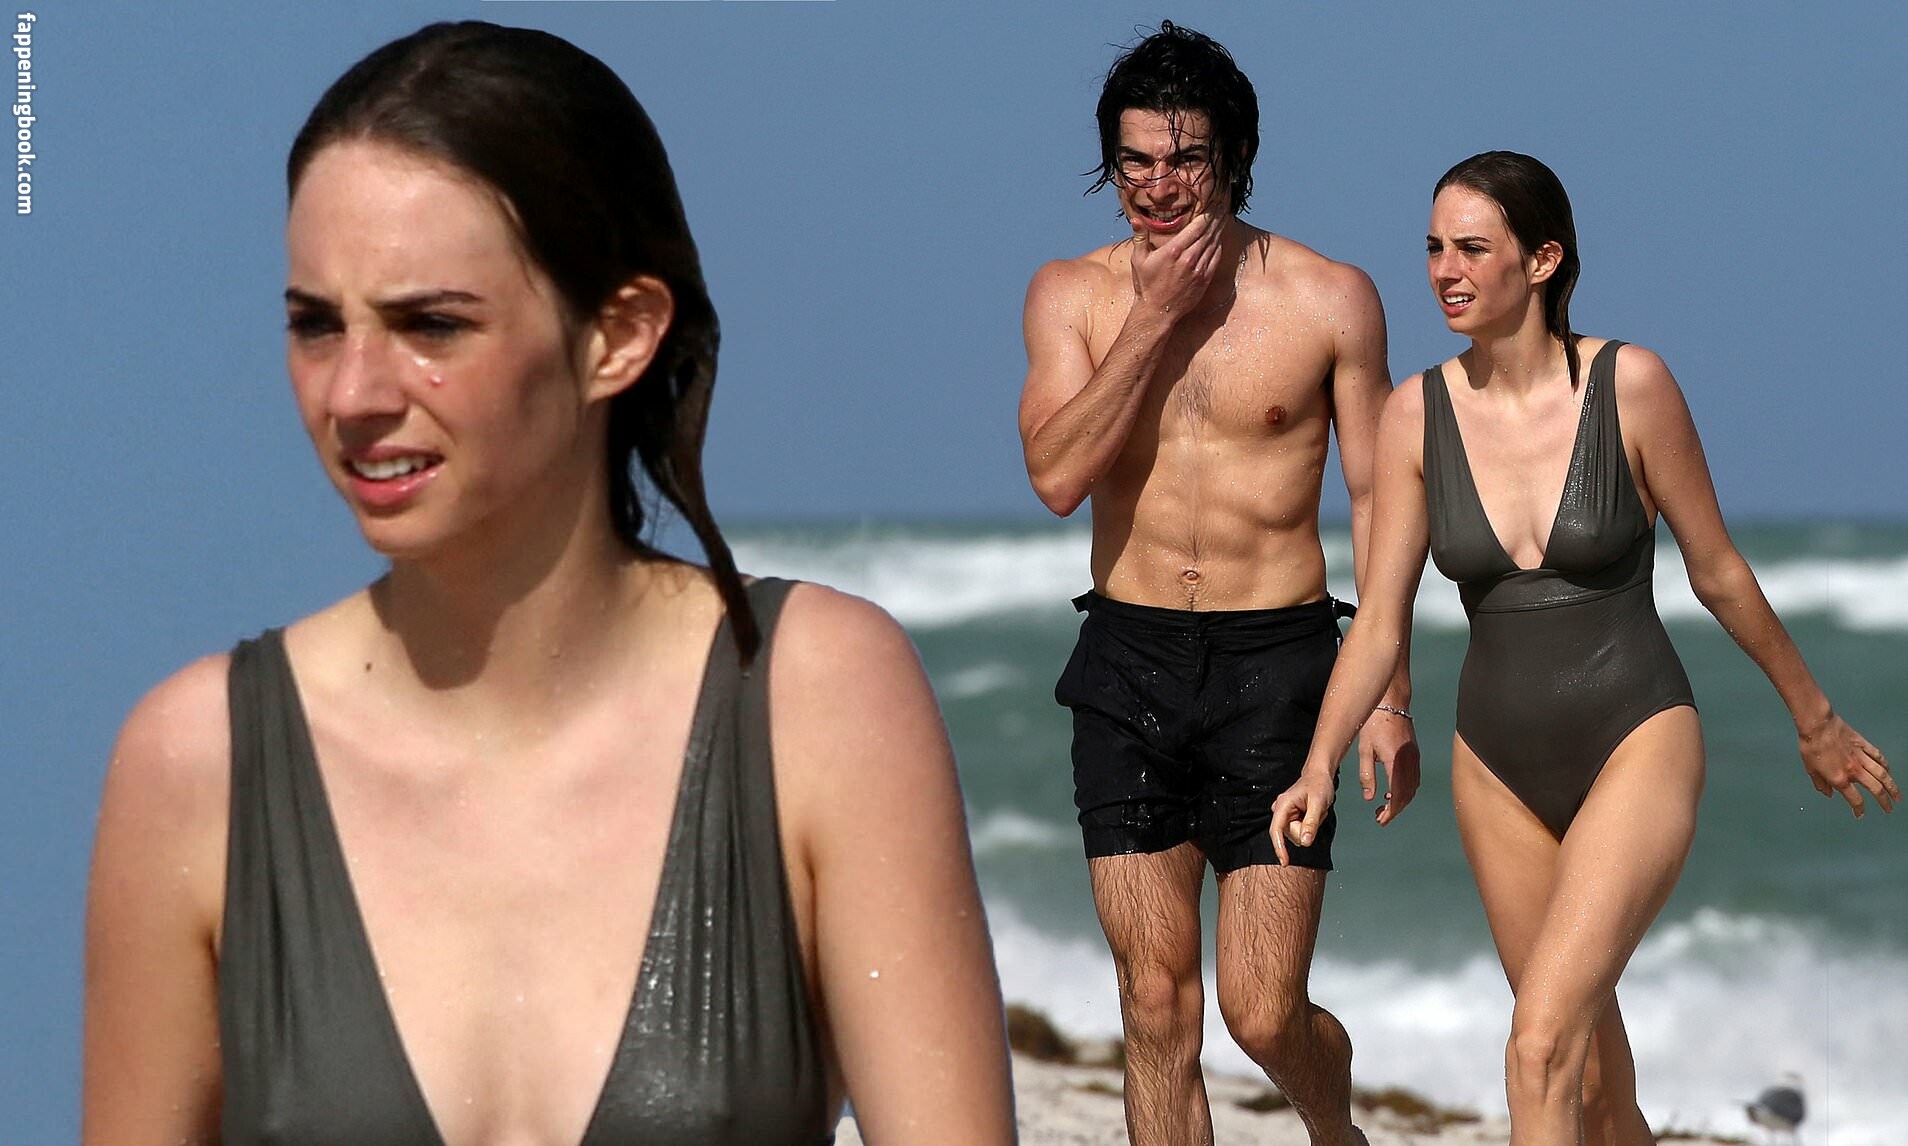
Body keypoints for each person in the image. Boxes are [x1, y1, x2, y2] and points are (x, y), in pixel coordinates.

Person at [82, 21, 1015, 1146]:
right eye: (316, 326)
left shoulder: (814, 699)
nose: (353, 393)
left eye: (431, 325)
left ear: (617, 336)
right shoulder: (200, 765)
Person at [1273, 150, 1900, 1144]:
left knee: (1538, 1045)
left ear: (1543, 259)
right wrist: (1319, 761)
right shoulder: (1414, 415)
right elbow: (1383, 616)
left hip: (1635, 734)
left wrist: (1813, 718)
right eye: (1433, 248)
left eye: (1472, 248)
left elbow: (1718, 570)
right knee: (1595, 1090)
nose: (1445, 271)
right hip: (1495, 766)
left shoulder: (1631, 385)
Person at [1018, 21, 1418, 1146]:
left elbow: (1381, 504)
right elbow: (1056, 477)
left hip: (1277, 666)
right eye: (1136, 160)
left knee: (1262, 1009)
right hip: (1128, 659)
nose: (1158, 185)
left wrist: (1388, 694)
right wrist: (1151, 320)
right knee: (1155, 1004)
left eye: (1185, 158)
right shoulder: (1070, 296)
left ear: (1234, 157)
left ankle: (1336, 1130)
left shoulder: (1330, 298)